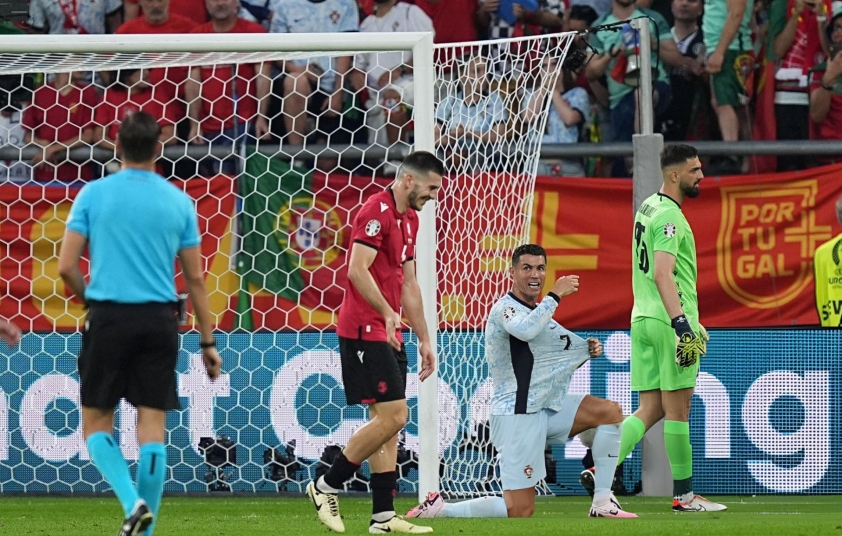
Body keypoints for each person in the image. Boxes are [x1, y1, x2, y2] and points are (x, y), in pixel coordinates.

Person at [57, 111, 222, 536]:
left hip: (109, 314)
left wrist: (90, 300)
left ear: (116, 146)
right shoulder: (179, 201)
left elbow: (66, 267)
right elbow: (196, 279)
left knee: (95, 421)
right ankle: (144, 529)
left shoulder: (93, 194)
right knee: (152, 424)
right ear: (159, 148)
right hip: (159, 320)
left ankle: (133, 505)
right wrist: (207, 342)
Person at [404, 244, 637, 520]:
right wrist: (555, 294)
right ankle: (439, 510)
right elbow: (526, 331)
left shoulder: (539, 312)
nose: (534, 274)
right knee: (519, 511)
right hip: (516, 416)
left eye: (540, 268)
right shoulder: (505, 309)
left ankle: (602, 502)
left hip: (543, 409)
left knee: (609, 412)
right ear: (512, 271)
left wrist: (587, 350)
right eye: (527, 268)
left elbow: (555, 352)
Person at [306, 151, 443, 534]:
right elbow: (355, 270)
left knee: (388, 425)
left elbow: (410, 284)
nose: (433, 196)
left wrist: (424, 339)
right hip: (363, 330)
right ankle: (325, 484)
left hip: (389, 330)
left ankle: (383, 516)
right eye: (430, 188)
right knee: (395, 416)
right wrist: (385, 310)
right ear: (409, 180)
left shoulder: (411, 220)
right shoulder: (375, 211)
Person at [615, 143, 726, 512]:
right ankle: (685, 495)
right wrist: (682, 325)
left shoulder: (647, 207)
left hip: (643, 318)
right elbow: (663, 273)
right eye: (694, 170)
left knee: (649, 409)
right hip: (669, 321)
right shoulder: (671, 218)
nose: (701, 176)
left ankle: (603, 468)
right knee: (678, 411)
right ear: (674, 174)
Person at [186, 0, 272, 174]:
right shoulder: (197, 36)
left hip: (242, 123)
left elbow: (263, 76)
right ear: (206, 4)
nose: (219, 4)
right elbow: (193, 83)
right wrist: (194, 124)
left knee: (227, 179)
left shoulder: (253, 33)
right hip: (208, 126)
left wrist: (262, 117)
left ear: (236, 3)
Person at [354, 0, 434, 146]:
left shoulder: (410, 12)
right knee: (376, 156)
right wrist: (356, 75)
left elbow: (428, 49)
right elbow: (359, 64)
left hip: (409, 83)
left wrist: (400, 70)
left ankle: (397, 158)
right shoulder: (367, 24)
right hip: (376, 93)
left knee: (391, 97)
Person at [703, 0, 754, 174]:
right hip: (726, 48)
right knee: (729, 103)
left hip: (730, 50)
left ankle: (732, 158)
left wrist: (719, 52)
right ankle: (746, 162)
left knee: (724, 103)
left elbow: (737, 14)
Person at [23, 72, 98, 182]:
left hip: (78, 174)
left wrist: (53, 149)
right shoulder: (40, 93)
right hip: (46, 172)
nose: (82, 64)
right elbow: (27, 137)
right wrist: (41, 143)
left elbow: (88, 136)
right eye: (76, 58)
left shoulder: (87, 92)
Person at [813, 194, 842, 326]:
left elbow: (822, 302)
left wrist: (829, 335)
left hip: (834, 337)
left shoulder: (822, 252)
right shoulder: (822, 253)